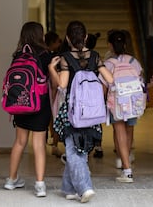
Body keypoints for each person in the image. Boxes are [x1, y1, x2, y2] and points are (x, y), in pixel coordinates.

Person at [48, 20, 113, 203]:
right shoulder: (95, 56)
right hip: (91, 110)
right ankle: (69, 189)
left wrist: (51, 69)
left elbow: (62, 85)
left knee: (73, 149)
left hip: (73, 110)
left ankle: (84, 187)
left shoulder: (66, 57)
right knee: (79, 148)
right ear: (85, 37)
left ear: (67, 38)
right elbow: (110, 78)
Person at [101, 30, 153, 183]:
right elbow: (139, 83)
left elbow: (104, 86)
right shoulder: (134, 61)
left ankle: (126, 169)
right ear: (125, 44)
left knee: (119, 130)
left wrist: (103, 102)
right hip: (134, 102)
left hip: (117, 103)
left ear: (110, 45)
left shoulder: (107, 64)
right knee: (129, 129)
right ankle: (126, 159)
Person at [4, 22, 52, 197]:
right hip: (40, 104)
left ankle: (11, 179)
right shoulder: (46, 55)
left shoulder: (18, 55)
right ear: (40, 35)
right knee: (38, 144)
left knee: (19, 142)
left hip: (20, 103)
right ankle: (40, 185)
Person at [45, 31, 63, 158]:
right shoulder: (53, 58)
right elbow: (54, 80)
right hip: (51, 90)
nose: (59, 44)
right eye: (57, 42)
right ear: (52, 43)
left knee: (49, 118)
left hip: (42, 91)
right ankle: (54, 144)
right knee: (55, 117)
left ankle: (49, 140)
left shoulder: (42, 55)